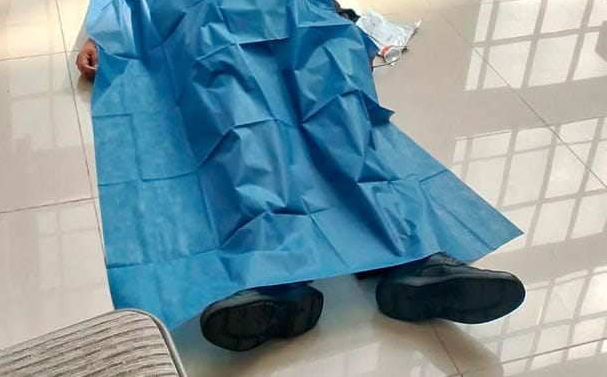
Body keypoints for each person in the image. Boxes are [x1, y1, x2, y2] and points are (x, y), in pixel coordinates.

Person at [76, 27, 525, 351]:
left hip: (293, 18)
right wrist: (100, 37)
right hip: (210, 27)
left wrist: (338, 21)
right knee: (243, 122)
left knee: (338, 111)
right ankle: (277, 278)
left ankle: (416, 260)